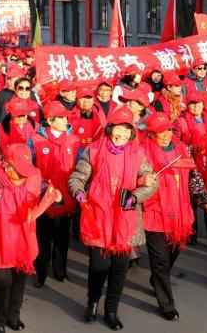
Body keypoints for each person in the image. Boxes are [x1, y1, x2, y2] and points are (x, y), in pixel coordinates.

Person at [68, 106, 157, 330]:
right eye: (119, 128)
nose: (123, 134)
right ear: (110, 128)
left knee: (119, 269)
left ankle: (111, 310)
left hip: (125, 221)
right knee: (98, 266)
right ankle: (93, 301)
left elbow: (150, 182)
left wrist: (135, 197)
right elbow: (78, 177)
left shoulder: (138, 154)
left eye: (128, 130)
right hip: (98, 217)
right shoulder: (93, 150)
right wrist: (78, 191)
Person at [0, 143, 62, 333]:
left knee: (19, 283)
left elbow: (45, 193)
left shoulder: (34, 177)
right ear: (5, 164)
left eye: (25, 172)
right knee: (2, 284)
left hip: (23, 242)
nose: (22, 176)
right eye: (18, 172)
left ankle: (14, 316)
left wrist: (57, 197)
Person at [143, 113, 207, 320]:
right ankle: (166, 304)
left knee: (171, 254)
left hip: (180, 212)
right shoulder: (142, 152)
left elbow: (194, 177)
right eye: (159, 133)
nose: (164, 135)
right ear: (151, 134)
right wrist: (142, 179)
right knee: (160, 260)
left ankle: (158, 279)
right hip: (154, 213)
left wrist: (205, 200)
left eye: (167, 130)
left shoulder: (182, 150)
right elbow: (133, 177)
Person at [30, 101, 81, 288]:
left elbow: (80, 167)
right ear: (50, 120)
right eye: (61, 117)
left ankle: (60, 270)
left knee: (62, 237)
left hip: (66, 197)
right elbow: (30, 168)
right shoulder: (35, 141)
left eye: (66, 116)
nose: (65, 120)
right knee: (43, 238)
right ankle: (40, 272)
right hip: (44, 198)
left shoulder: (74, 141)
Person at [175, 92, 207, 247]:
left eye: (199, 103)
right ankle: (192, 235)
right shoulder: (181, 121)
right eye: (193, 104)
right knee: (192, 202)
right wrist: (192, 148)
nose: (196, 107)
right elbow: (176, 144)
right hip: (190, 166)